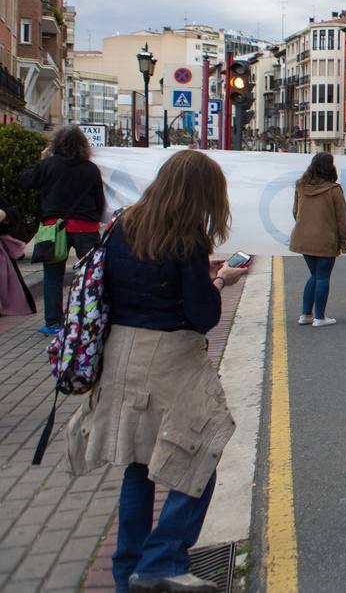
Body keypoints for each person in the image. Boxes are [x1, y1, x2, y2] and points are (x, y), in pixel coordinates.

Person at [65, 150, 250, 593]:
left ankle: (128, 573)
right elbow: (203, 315)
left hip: (120, 357)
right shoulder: (185, 238)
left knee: (137, 463)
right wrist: (222, 279)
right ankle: (162, 557)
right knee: (203, 449)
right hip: (169, 359)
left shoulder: (121, 226)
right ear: (203, 194)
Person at [18, 126, 106, 335]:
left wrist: (42, 160)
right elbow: (99, 200)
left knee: (53, 276)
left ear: (57, 144)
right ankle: (88, 319)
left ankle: (53, 323)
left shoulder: (49, 165)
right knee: (90, 275)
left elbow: (24, 182)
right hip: (86, 227)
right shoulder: (90, 169)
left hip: (54, 229)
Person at [288, 152, 346, 327]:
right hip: (325, 238)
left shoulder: (301, 186)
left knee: (314, 275)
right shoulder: (334, 189)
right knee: (323, 276)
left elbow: (295, 212)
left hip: (302, 237)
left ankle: (305, 314)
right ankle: (320, 317)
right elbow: (341, 219)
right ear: (330, 167)